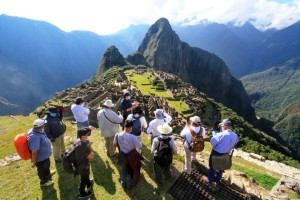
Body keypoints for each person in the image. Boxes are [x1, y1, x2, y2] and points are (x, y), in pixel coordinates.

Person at [202, 119, 238, 189]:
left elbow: (213, 143)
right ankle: (217, 180)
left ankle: (209, 180)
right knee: (220, 168)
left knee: (212, 167)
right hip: (226, 154)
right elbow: (234, 144)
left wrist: (215, 136)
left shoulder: (221, 134)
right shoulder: (235, 136)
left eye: (222, 125)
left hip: (216, 153)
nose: (221, 127)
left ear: (224, 126)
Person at [113, 120, 143, 189]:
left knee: (123, 169)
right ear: (131, 128)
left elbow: (114, 145)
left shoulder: (117, 135)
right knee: (134, 168)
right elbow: (139, 146)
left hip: (122, 155)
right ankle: (133, 181)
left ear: (124, 126)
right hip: (132, 156)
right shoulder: (132, 137)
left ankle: (123, 183)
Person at [27, 119, 55, 187]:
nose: (44, 125)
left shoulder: (39, 131)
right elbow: (34, 152)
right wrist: (34, 162)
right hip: (40, 158)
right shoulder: (34, 137)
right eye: (43, 125)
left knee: (46, 165)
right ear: (40, 126)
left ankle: (48, 174)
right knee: (41, 169)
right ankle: (43, 182)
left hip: (44, 156)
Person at [75, 128, 94, 199]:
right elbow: (91, 156)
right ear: (82, 136)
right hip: (83, 166)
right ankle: (82, 193)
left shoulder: (77, 141)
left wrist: (87, 145)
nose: (88, 136)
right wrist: (91, 152)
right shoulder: (84, 146)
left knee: (86, 174)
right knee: (83, 178)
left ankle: (88, 183)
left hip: (79, 164)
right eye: (87, 135)